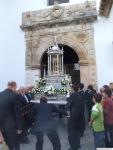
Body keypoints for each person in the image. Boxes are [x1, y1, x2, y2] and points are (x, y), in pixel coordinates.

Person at [0, 81, 22, 150]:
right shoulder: (15, 96)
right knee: (15, 145)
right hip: (12, 127)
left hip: (1, 126)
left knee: (5, 145)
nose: (16, 89)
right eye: (16, 87)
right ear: (14, 86)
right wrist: (19, 127)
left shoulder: (0, 94)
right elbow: (17, 113)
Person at [66, 84, 84, 150]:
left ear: (73, 89)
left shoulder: (73, 95)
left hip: (73, 116)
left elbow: (68, 105)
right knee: (76, 132)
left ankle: (73, 147)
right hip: (77, 116)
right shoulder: (78, 94)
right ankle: (77, 145)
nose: (70, 89)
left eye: (70, 88)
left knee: (71, 133)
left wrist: (64, 112)